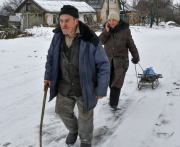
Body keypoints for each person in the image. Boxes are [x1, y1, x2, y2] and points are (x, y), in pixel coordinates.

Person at [44, 5, 110, 147]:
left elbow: (103, 64)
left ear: (76, 21)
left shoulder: (89, 38)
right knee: (61, 111)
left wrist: (101, 87)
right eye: (61, 21)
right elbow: (50, 58)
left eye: (67, 20)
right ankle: (73, 130)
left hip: (85, 86)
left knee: (85, 116)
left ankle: (85, 140)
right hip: (64, 84)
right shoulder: (57, 37)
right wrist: (48, 76)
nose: (63, 24)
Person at [99, 12, 139, 110]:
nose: (111, 22)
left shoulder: (125, 31)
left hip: (121, 62)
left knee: (116, 83)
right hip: (108, 61)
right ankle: (113, 99)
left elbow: (131, 45)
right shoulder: (106, 30)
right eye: (109, 20)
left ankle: (113, 104)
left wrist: (136, 57)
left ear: (118, 20)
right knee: (109, 81)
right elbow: (100, 42)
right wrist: (106, 31)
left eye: (113, 20)